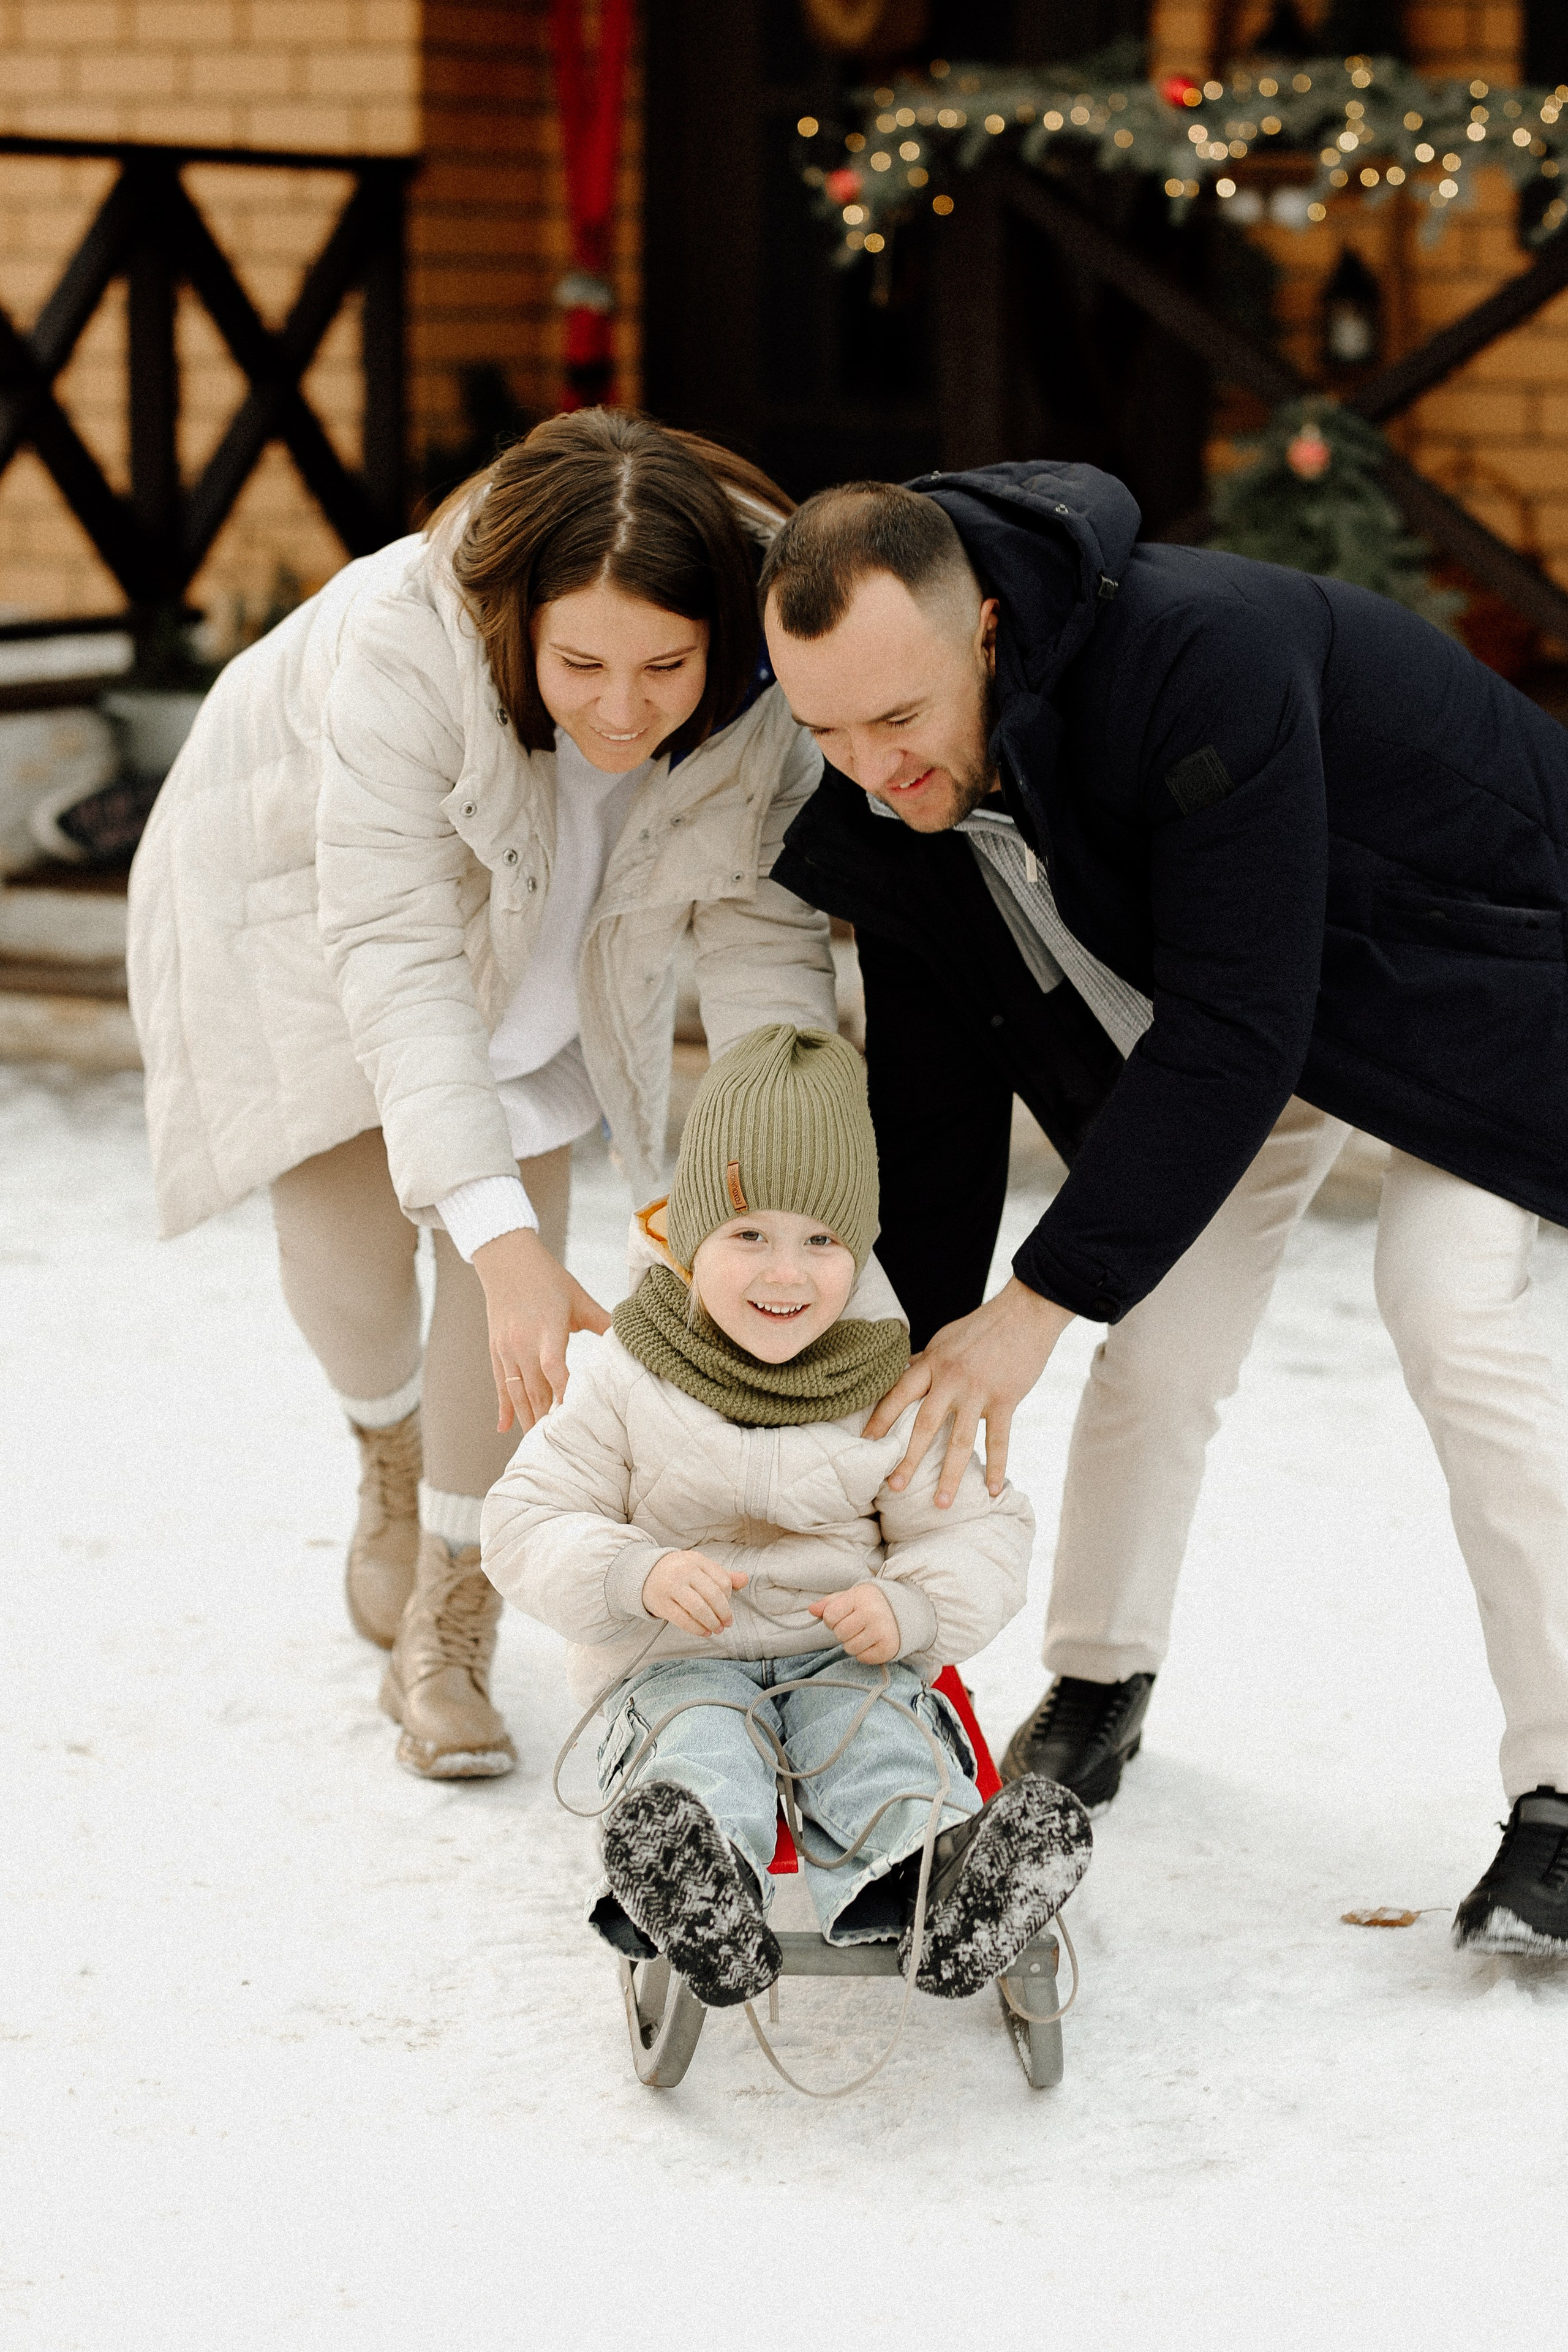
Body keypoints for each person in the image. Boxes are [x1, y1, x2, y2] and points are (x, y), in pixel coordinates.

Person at [758, 465, 1568, 1960]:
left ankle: (1559, 1796)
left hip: (1478, 974)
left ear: (985, 632)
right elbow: (934, 1107)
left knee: (1449, 1317)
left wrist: (1035, 1302)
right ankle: (1098, 1683)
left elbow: (1234, 1025)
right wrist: (916, 1348)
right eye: (822, 730)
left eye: (896, 718)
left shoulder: (1197, 654)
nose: (871, 767)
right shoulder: (889, 792)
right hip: (1258, 1014)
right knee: (1156, 1343)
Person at [127, 409, 840, 1782]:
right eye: (578, 664)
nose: (623, 708)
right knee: (348, 1264)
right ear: (518, 625)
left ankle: (451, 1611)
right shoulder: (405, 644)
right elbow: (391, 953)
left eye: (664, 666)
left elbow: (764, 949)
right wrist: (494, 1232)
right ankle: (385, 1450)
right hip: (295, 900)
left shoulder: (768, 672)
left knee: (512, 1299)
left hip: (549, 935)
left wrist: (782, 1198)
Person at [481, 1023, 1090, 2007]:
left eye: (821, 1240)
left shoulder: (892, 1385)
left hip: (839, 1654)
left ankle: (944, 1885)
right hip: (674, 1658)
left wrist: (912, 1611)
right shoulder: (625, 1373)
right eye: (748, 1234)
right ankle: (697, 1884)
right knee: (701, 1749)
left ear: (861, 1249)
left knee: (880, 1739)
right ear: (686, 1237)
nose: (784, 1272)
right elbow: (525, 1518)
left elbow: (976, 1528)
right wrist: (632, 1571)